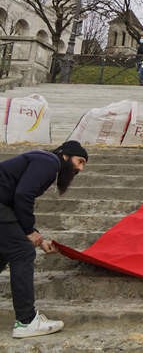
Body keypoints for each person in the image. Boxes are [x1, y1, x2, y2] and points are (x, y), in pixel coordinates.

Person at [1, 141, 88, 338]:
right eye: (79, 161)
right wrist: (29, 232)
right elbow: (23, 195)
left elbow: (15, 201)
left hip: (3, 206)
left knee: (6, 251)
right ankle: (26, 322)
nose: (80, 168)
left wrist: (37, 237)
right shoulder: (49, 161)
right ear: (65, 156)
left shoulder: (42, 161)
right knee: (22, 251)